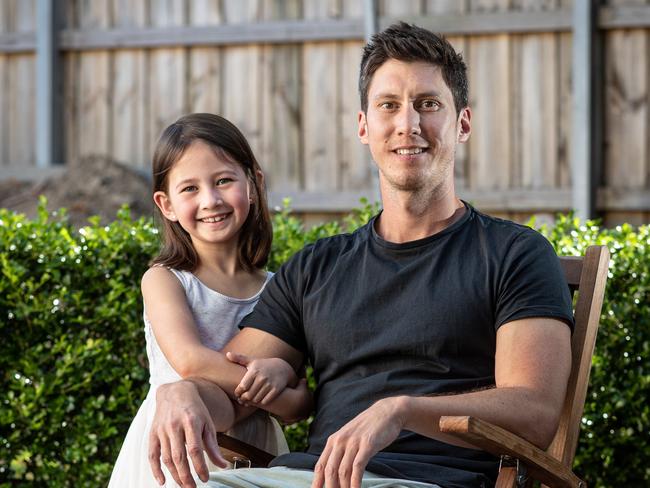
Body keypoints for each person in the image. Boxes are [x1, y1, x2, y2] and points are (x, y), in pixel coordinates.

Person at [148, 23, 575, 488]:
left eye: (428, 105)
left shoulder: (514, 254)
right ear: (364, 126)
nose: (407, 124)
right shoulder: (317, 268)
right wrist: (182, 392)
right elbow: (235, 392)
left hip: (430, 481)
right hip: (305, 479)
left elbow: (535, 411)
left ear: (463, 123)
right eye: (388, 105)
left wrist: (403, 411)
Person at [108, 113, 312, 487]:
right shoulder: (165, 280)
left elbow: (300, 404)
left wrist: (282, 376)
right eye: (189, 189)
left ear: (253, 184)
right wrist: (267, 386)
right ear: (166, 204)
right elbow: (190, 360)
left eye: (223, 180)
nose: (211, 200)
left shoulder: (279, 289)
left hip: (253, 450)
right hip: (176, 445)